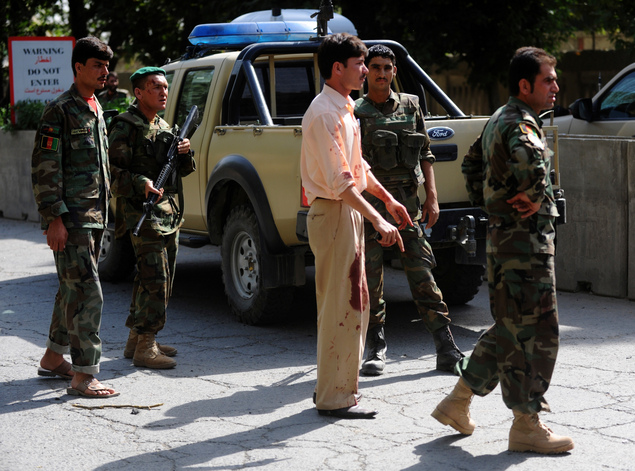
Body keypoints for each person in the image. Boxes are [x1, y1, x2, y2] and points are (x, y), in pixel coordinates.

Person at [431, 47, 574, 454]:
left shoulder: (498, 118)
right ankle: (527, 423)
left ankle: (457, 401)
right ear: (524, 85)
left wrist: (494, 205)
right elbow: (531, 165)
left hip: (504, 241)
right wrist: (532, 193)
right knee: (540, 332)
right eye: (548, 79)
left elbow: (470, 165)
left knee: (510, 326)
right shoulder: (522, 125)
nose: (556, 87)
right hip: (526, 245)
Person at [301, 33, 413, 419]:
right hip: (333, 213)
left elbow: (359, 168)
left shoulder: (344, 106)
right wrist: (378, 218)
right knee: (341, 308)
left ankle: (338, 390)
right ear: (337, 68)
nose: (367, 71)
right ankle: (334, 398)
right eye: (360, 64)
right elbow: (340, 182)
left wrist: (389, 199)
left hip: (344, 212)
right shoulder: (325, 112)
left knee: (356, 305)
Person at [354, 45, 463, 376]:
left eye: (387, 67)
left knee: (423, 276)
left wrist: (432, 195)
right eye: (375, 67)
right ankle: (376, 346)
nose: (381, 73)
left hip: (408, 207)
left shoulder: (412, 104)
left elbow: (425, 153)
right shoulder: (355, 110)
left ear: (394, 71)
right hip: (371, 207)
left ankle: (446, 348)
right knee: (371, 279)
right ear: (366, 71)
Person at [32, 37, 119, 398]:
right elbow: (44, 168)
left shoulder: (95, 106)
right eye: (97, 65)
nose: (105, 72)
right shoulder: (61, 110)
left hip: (95, 217)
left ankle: (54, 357)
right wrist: (54, 218)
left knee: (72, 288)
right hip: (72, 218)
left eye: (106, 65)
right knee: (87, 293)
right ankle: (84, 374)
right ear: (78, 67)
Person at [108, 67, 195, 369]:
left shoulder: (163, 124)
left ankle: (137, 340)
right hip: (141, 214)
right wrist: (140, 183)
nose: (163, 92)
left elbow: (180, 171)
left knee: (153, 278)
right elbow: (114, 174)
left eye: (165, 87)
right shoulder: (125, 126)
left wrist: (185, 152)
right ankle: (147, 345)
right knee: (155, 279)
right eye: (155, 86)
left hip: (167, 213)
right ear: (138, 92)